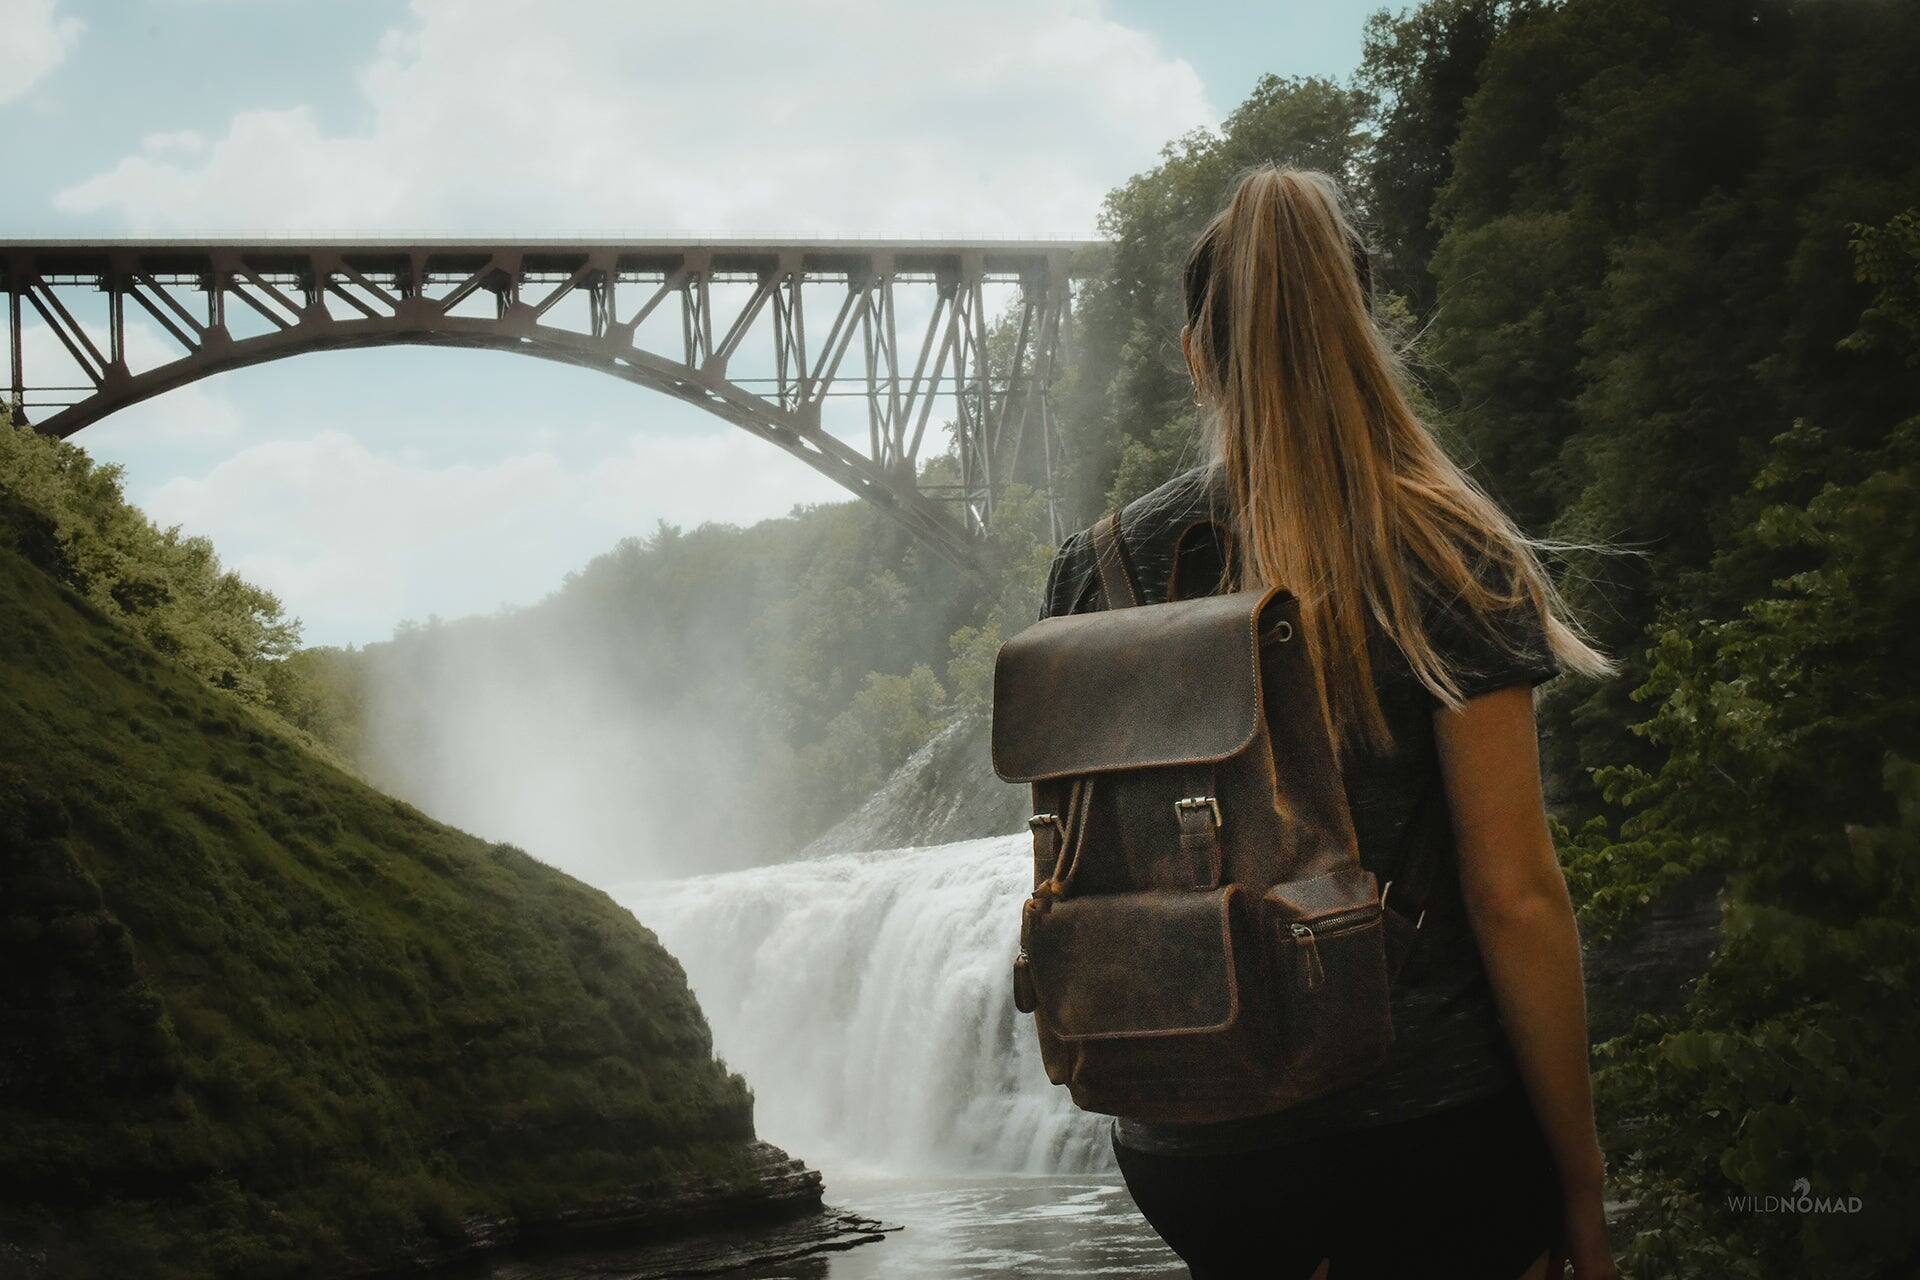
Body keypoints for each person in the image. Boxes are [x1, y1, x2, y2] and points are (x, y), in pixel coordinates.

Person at [1036, 166, 1619, 1279]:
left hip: (1193, 1150)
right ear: (1366, 330)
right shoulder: (1440, 549)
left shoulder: (1095, 568)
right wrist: (1583, 1187)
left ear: (1197, 353)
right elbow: (1513, 896)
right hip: (1422, 1131)